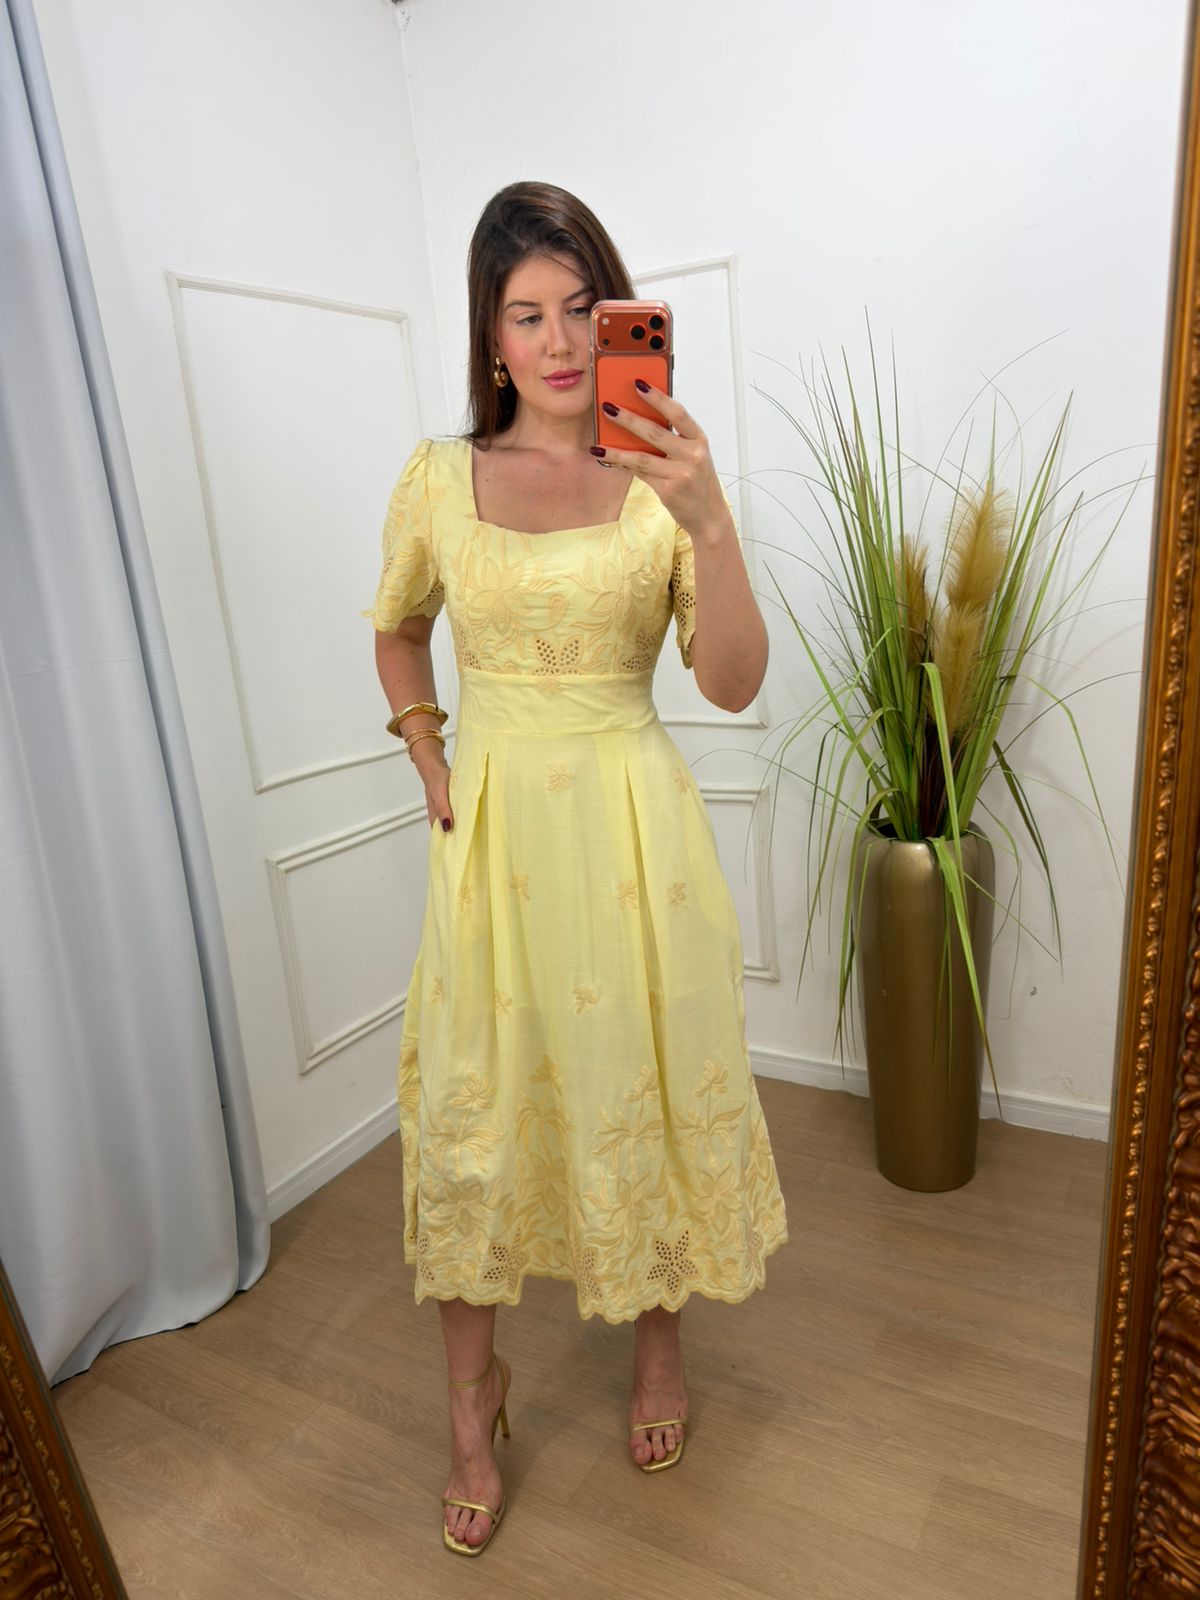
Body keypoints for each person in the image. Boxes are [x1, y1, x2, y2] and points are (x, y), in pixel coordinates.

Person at [365, 180, 788, 1557]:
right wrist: (428, 750)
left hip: (631, 831)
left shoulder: (662, 480)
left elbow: (731, 684)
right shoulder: (439, 479)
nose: (556, 342)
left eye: (579, 309)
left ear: (618, 321)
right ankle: (470, 1406)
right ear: (491, 337)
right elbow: (398, 627)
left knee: (633, 1087)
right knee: (475, 1114)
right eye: (525, 315)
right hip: (494, 842)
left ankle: (659, 1350)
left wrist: (710, 521)